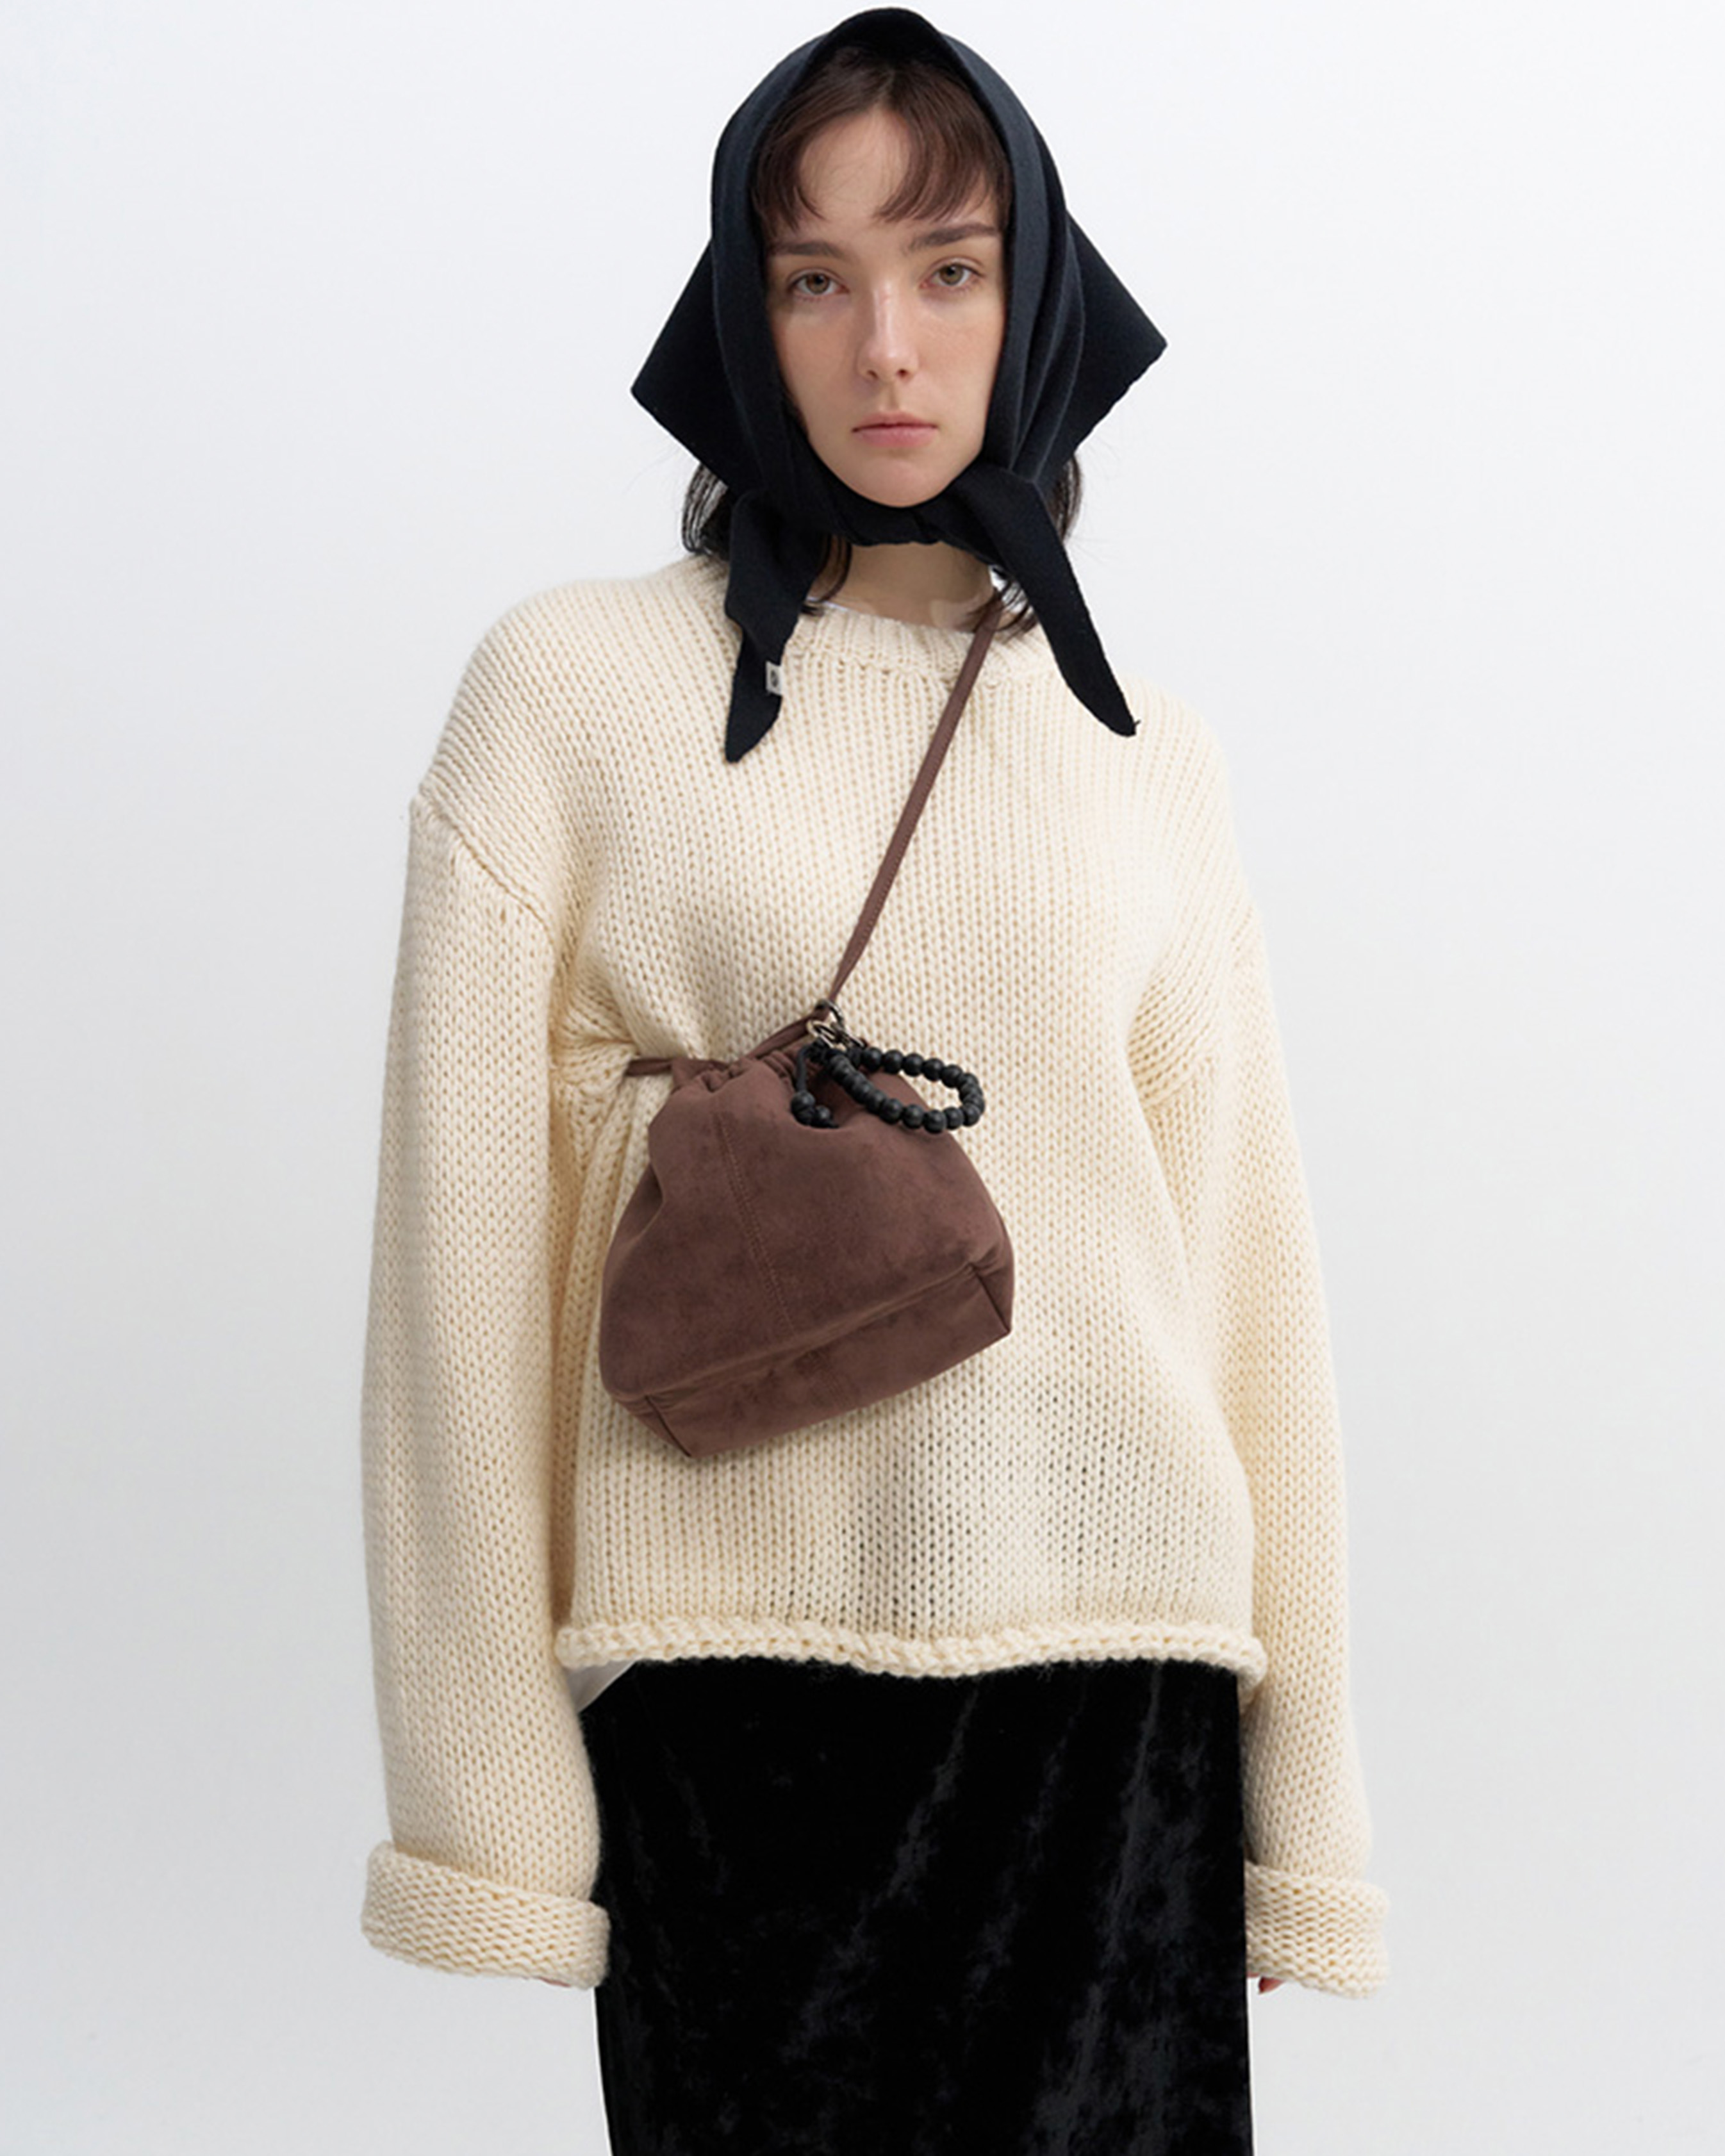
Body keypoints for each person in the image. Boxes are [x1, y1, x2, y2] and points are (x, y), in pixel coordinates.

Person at [356, 10, 1388, 2152]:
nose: (886, 349)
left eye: (950, 267)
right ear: (742, 315)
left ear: (1039, 301)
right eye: (812, 278)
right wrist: (491, 1801)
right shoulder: (569, 694)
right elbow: (456, 1285)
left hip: (1118, 1704)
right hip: (735, 1705)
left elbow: (1247, 1289)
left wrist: (1305, 1809)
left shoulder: (1143, 751)